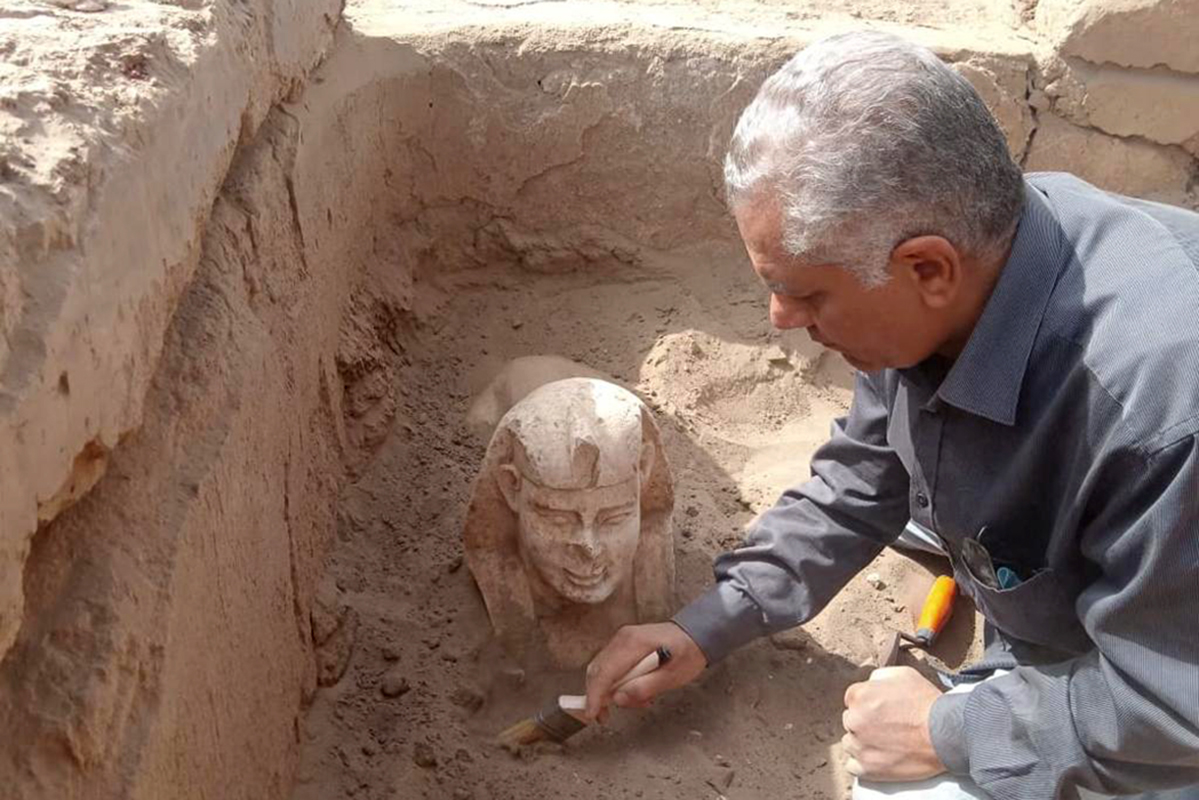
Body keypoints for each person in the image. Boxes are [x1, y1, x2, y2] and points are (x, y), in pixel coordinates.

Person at [582, 30, 1199, 800]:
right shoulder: (969, 269)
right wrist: (707, 625)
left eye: (805, 294)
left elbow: (1173, 707)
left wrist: (946, 729)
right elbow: (861, 479)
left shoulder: (1159, 415)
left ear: (926, 268)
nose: (778, 319)